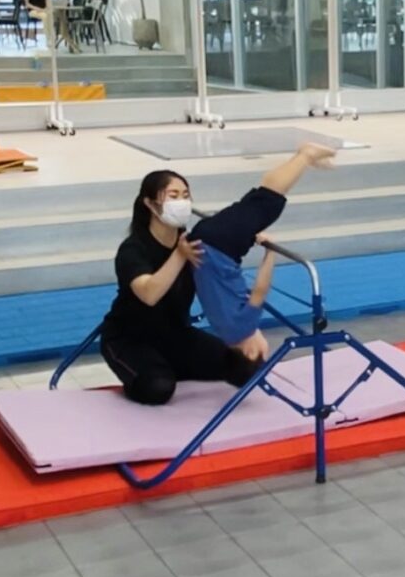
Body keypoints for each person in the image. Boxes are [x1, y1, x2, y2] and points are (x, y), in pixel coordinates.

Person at [100, 170, 260, 406]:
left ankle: (168, 365)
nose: (182, 202)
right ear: (150, 203)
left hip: (176, 335)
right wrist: (179, 255)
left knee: (246, 367)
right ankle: (155, 370)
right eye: (173, 196)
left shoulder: (193, 242)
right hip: (128, 338)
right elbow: (149, 294)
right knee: (157, 388)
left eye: (185, 195)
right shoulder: (133, 249)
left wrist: (249, 236)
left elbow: (225, 249)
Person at [190, 142, 336, 363]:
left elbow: (260, 290)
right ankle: (302, 159)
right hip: (203, 243)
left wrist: (270, 252)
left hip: (220, 244)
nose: (266, 344)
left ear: (250, 352)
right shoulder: (221, 330)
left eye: (265, 351)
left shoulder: (242, 329)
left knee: (269, 202)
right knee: (261, 198)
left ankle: (306, 155)